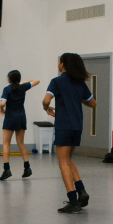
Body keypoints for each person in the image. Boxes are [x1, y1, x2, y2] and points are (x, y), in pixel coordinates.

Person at [42, 53, 95, 213]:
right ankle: (81, 191)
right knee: (68, 159)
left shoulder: (57, 82)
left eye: (59, 62)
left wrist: (46, 108)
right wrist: (77, 98)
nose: (58, 64)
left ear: (63, 65)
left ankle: (73, 200)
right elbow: (93, 103)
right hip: (77, 126)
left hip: (63, 126)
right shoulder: (80, 83)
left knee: (63, 162)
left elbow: (46, 100)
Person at [0, 70, 38, 181]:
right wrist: (23, 82)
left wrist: (1, 109)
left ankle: (7, 169)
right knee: (21, 143)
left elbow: (2, 103)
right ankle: (27, 167)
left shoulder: (7, 89)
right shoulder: (23, 87)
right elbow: (37, 81)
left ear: (9, 79)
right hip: (21, 117)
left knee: (6, 143)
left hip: (10, 118)